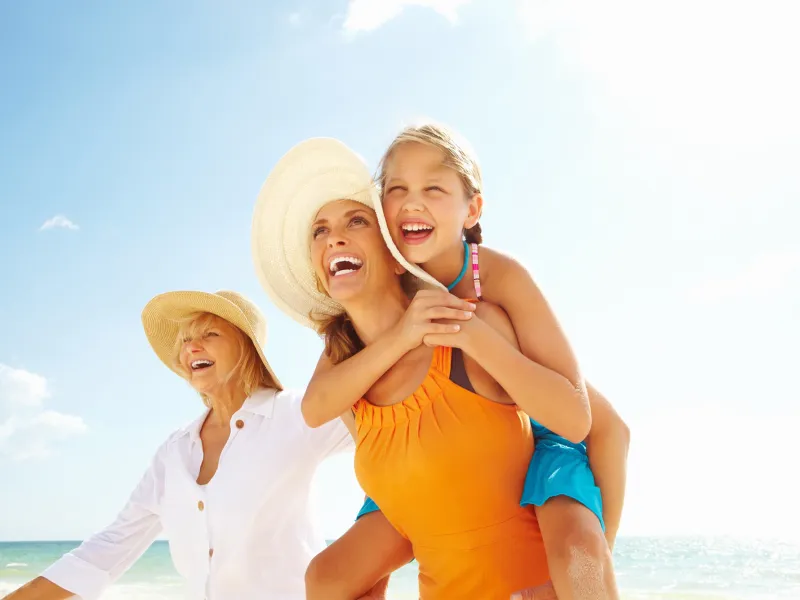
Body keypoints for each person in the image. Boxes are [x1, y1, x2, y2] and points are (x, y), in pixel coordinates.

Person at [251, 139, 557, 599]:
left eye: (356, 221)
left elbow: (576, 417)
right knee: (322, 578)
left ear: (395, 256)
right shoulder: (347, 379)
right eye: (320, 230)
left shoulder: (470, 325)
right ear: (320, 272)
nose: (334, 237)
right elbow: (317, 414)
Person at [2, 290, 353, 600]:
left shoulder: (295, 413)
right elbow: (109, 547)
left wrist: (368, 560)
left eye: (209, 335)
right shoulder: (175, 451)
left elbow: (387, 431)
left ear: (248, 347)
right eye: (185, 341)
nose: (190, 348)